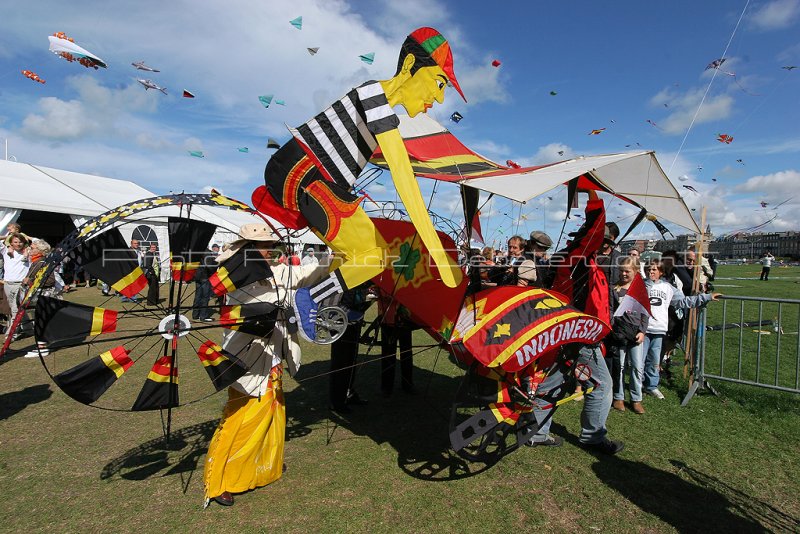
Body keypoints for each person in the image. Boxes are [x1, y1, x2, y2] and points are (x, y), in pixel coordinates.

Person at [266, 27, 466, 343]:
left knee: (363, 252)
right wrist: (438, 254)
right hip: (307, 173)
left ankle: (340, 299)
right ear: (410, 63)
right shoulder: (375, 96)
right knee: (376, 257)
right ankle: (308, 297)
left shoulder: (378, 106)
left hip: (316, 178)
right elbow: (403, 177)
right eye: (439, 83)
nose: (439, 97)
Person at [204, 223, 328, 507]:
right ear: (248, 247)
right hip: (245, 360)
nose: (272, 250)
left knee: (271, 413)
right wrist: (275, 311)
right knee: (240, 420)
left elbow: (304, 274)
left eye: (273, 246)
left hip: (269, 358)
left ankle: (262, 469)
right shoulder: (235, 275)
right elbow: (248, 310)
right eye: (266, 246)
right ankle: (220, 481)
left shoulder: (271, 270)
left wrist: (336, 258)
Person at [527, 190, 623, 455]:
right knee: (602, 385)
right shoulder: (577, 257)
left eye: (607, 245)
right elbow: (594, 228)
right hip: (578, 333)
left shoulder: (578, 259)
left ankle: (537, 432)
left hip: (569, 331)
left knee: (551, 383)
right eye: (602, 243)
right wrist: (593, 196)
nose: (605, 248)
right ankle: (592, 437)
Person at [642, 258, 720, 400]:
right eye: (648, 269)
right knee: (639, 361)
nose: (650, 272)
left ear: (660, 272)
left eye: (654, 269)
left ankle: (651, 386)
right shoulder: (640, 286)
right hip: (643, 330)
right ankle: (637, 386)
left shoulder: (667, 287)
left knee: (654, 360)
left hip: (659, 330)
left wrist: (706, 297)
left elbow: (683, 301)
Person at [608, 256, 649, 414]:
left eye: (627, 271)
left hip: (636, 334)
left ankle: (636, 398)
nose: (623, 274)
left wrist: (643, 331)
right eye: (621, 271)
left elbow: (645, 312)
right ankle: (618, 397)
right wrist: (613, 327)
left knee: (637, 367)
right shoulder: (614, 289)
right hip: (620, 333)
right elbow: (611, 310)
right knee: (620, 366)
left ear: (636, 271)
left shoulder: (640, 289)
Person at [329, 284, 373, 412]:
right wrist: (364, 295)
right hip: (340, 319)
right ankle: (336, 401)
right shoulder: (346, 276)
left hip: (353, 318)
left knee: (351, 359)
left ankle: (349, 393)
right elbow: (348, 298)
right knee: (341, 361)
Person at [21, 239, 58, 357]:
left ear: (40, 250)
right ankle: (41, 346)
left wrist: (30, 281)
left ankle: (43, 348)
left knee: (41, 321)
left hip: (44, 296)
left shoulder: (42, 262)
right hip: (40, 296)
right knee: (39, 320)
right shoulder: (37, 261)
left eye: (32, 248)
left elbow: (51, 280)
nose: (29, 249)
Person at [377, 291, 415, 396]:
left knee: (406, 352)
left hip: (405, 318)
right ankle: (386, 387)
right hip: (387, 318)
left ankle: (407, 384)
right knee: (388, 354)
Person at [2, 232, 31, 341]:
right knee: (17, 309)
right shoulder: (6, 251)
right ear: (11, 243)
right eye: (15, 242)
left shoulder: (28, 253)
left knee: (15, 309)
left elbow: (40, 243)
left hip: (21, 285)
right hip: (8, 284)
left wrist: (27, 243)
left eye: (20, 242)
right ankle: (28, 328)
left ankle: (10, 335)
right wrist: (7, 239)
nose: (18, 244)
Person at [192, 246, 216, 322]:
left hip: (198, 276)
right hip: (204, 277)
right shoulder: (206, 251)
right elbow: (209, 265)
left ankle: (195, 314)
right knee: (205, 297)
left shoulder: (195, 250)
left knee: (198, 296)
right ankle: (203, 316)